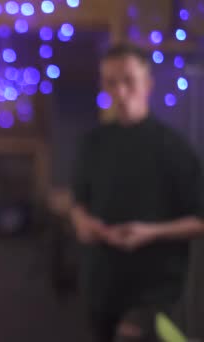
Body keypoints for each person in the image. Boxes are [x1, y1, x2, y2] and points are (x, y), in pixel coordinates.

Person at [70, 44, 204, 341]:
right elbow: (78, 201)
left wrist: (151, 232)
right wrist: (84, 224)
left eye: (128, 80)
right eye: (111, 82)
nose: (119, 91)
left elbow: (200, 218)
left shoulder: (174, 148)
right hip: (102, 284)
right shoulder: (93, 143)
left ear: (147, 84)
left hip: (155, 288)